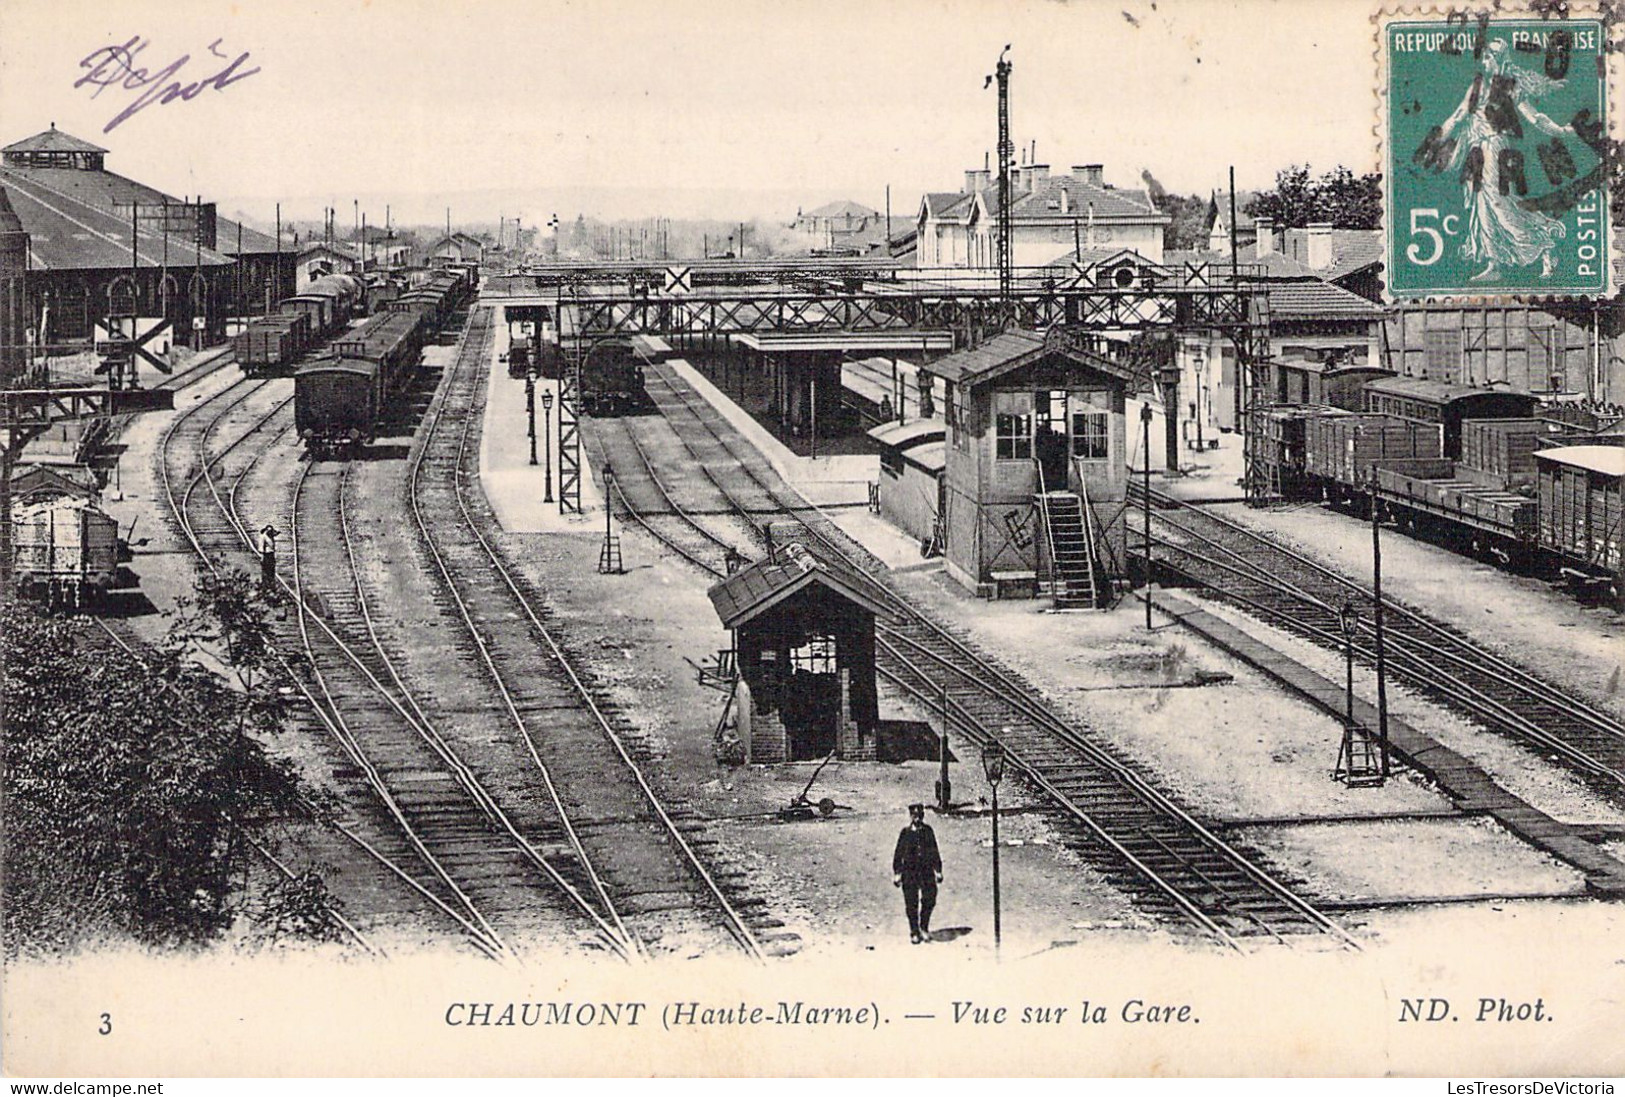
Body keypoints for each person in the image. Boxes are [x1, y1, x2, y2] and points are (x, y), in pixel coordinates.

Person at [892, 803, 942, 944]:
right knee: (911, 903)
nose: (917, 819)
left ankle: (924, 927)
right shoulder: (905, 833)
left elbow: (934, 851)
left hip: (926, 871)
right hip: (910, 872)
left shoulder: (928, 831)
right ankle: (914, 931)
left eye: (920, 816)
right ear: (910, 817)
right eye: (915, 816)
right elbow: (898, 854)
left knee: (930, 899)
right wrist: (897, 873)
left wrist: (938, 870)